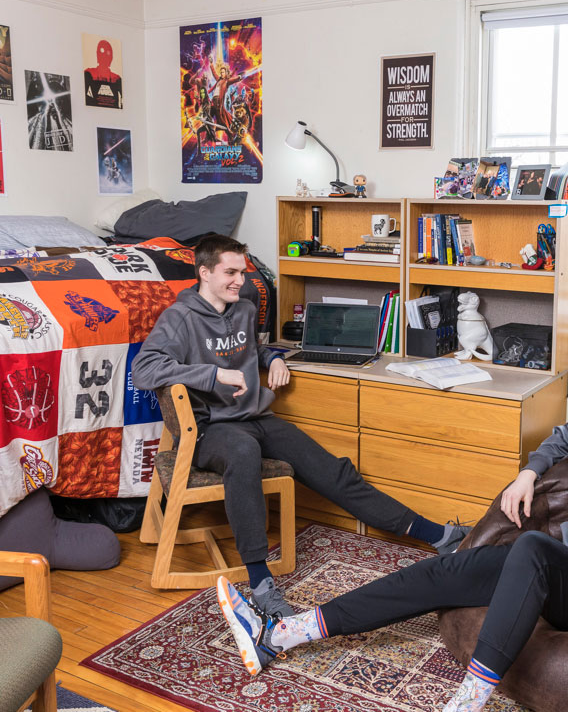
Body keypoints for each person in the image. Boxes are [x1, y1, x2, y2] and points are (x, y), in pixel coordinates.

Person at [216, 364, 568, 711]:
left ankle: (470, 699)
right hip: (560, 568)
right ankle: (284, 632)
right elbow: (561, 436)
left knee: (527, 547)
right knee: (450, 567)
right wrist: (528, 473)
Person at [132, 235, 470, 617]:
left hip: (257, 417)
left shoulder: (243, 308)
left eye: (242, 272)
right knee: (243, 455)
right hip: (214, 429)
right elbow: (143, 370)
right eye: (230, 272)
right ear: (204, 272)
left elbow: (251, 349)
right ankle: (260, 583)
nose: (239, 281)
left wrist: (273, 357)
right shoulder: (180, 318)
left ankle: (437, 535)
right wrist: (214, 375)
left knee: (333, 470)